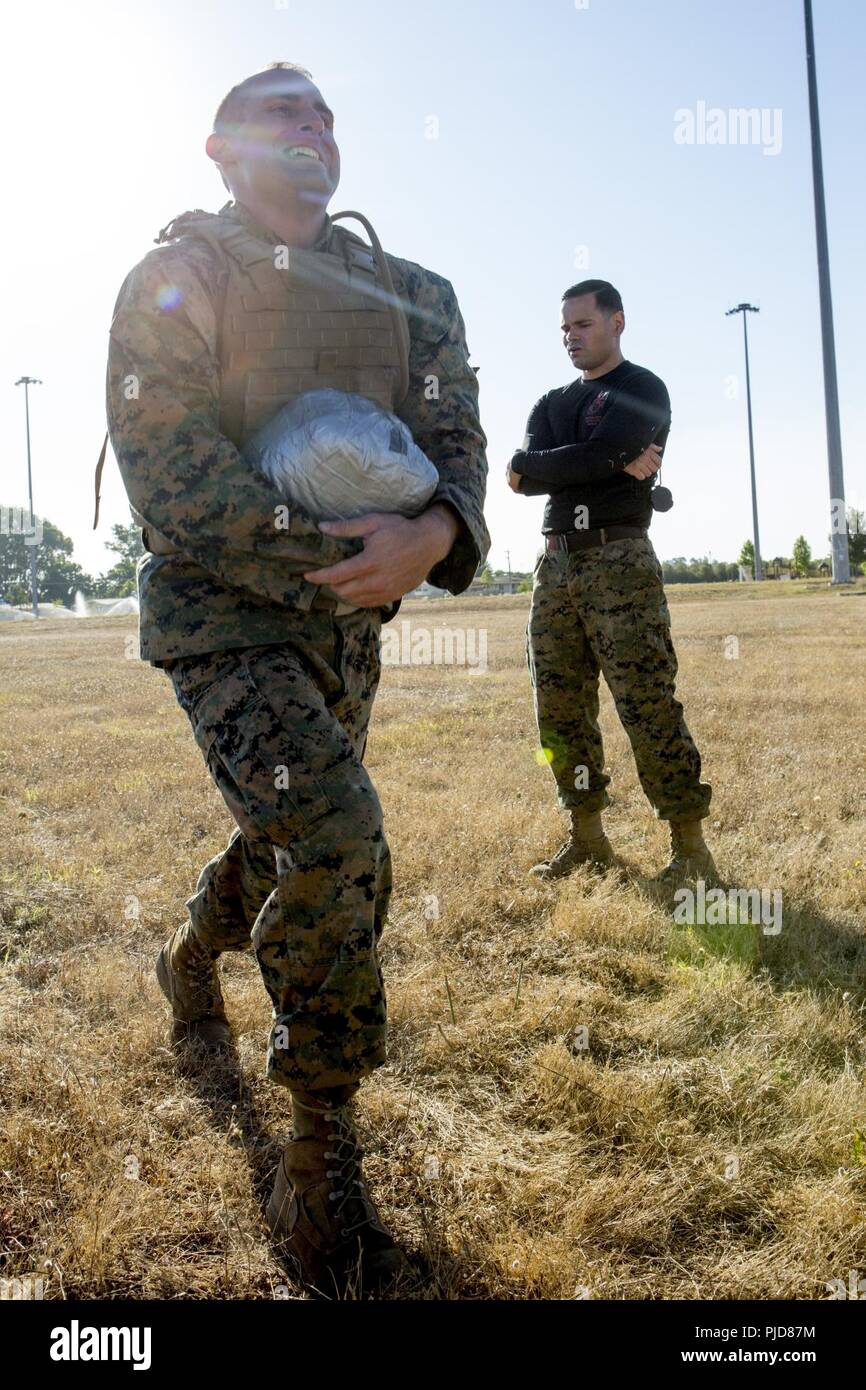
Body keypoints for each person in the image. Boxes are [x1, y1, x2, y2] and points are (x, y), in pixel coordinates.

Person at [105, 61, 489, 1295]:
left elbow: (455, 444)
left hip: (348, 628)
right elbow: (169, 477)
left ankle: (189, 955)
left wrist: (435, 536)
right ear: (220, 148)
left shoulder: (409, 293)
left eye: (325, 116)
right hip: (226, 618)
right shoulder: (177, 281)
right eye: (283, 114)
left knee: (286, 838)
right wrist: (327, 547)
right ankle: (317, 1137)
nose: (312, 131)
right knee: (332, 828)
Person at [508, 279, 716, 886]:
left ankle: (689, 847)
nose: (572, 337)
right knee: (560, 708)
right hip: (555, 566)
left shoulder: (643, 388)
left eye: (584, 325)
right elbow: (524, 473)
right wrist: (603, 459)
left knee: (647, 701)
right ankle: (587, 837)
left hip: (619, 558)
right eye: (565, 329)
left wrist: (567, 464)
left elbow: (547, 468)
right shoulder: (549, 401)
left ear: (617, 322)